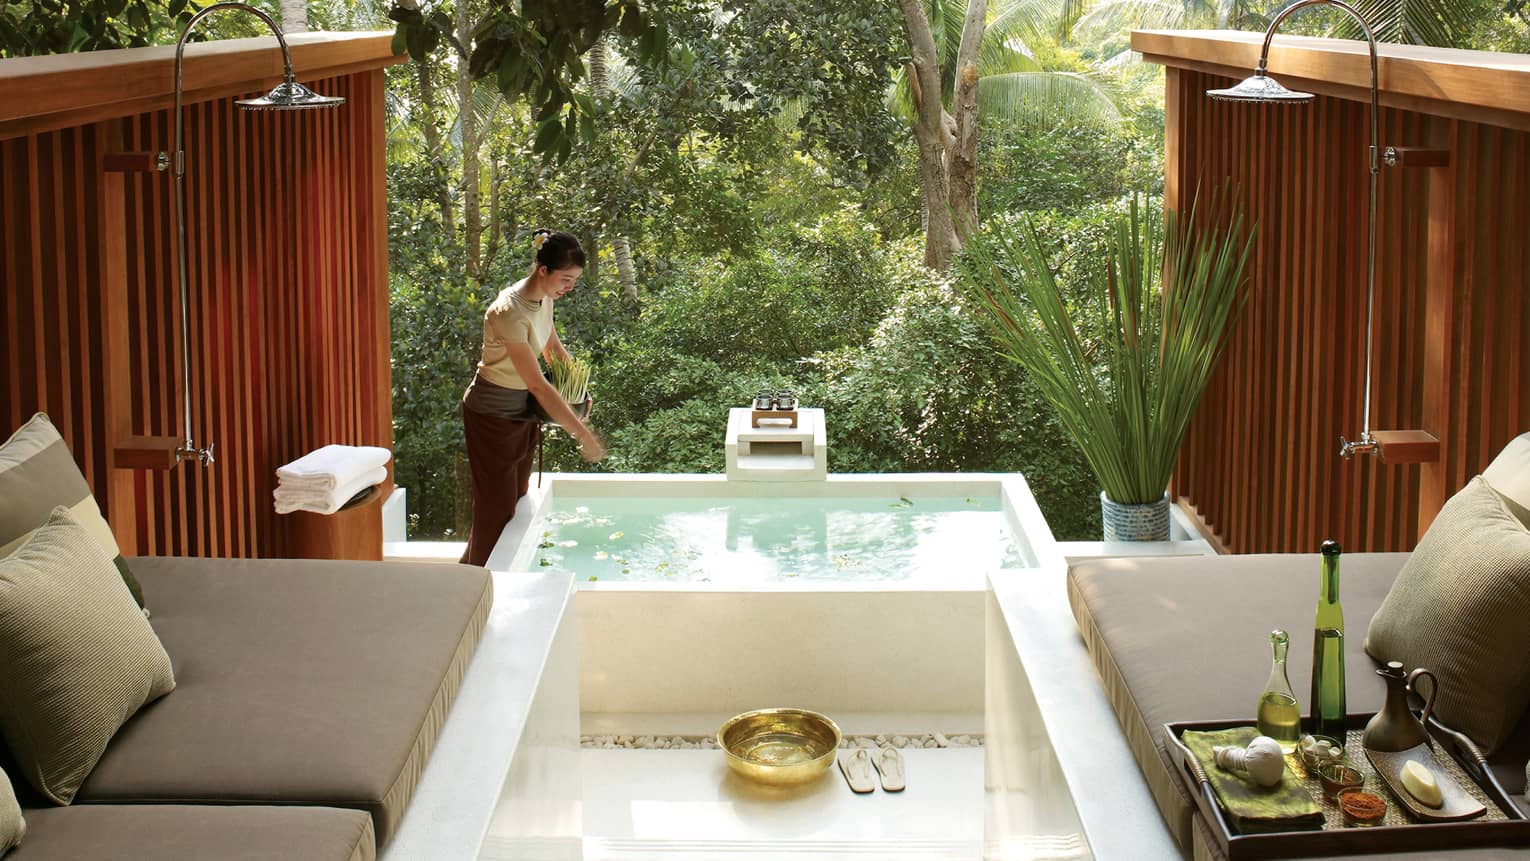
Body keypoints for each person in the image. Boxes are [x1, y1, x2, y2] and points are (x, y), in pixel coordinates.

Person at [459, 228, 606, 566]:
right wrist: (583, 435)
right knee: (495, 514)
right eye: (565, 279)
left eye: (574, 281)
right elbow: (538, 384)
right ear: (544, 271)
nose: (569, 288)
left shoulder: (544, 300)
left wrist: (578, 392)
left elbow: (553, 350)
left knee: (513, 504)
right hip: (491, 417)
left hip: (522, 412)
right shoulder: (509, 312)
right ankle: (473, 595)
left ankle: (468, 577)